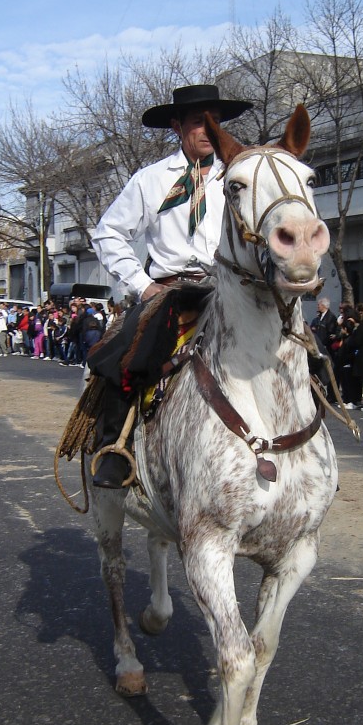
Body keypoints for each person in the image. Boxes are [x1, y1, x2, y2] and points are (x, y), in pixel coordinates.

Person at [88, 83, 252, 487]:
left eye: (215, 123)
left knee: (298, 350)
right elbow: (108, 234)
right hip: (171, 294)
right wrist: (143, 286)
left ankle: (309, 448)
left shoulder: (240, 172)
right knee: (124, 355)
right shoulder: (150, 180)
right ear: (177, 127)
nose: (208, 131)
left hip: (230, 290)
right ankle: (116, 449)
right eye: (199, 122)